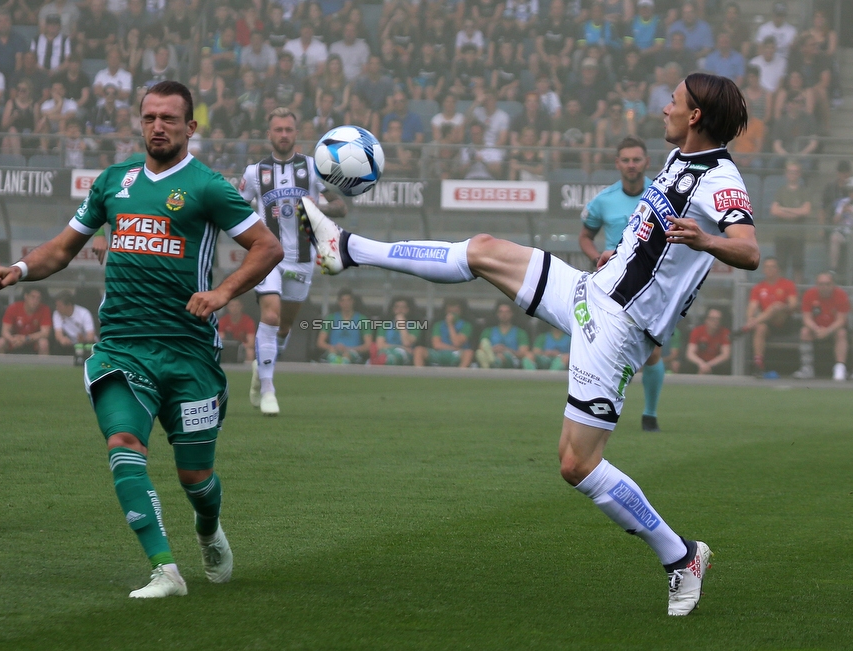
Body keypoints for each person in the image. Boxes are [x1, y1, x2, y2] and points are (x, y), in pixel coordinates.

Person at [299, 72, 758, 615]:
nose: (665, 108)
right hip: (593, 292)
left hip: (618, 331)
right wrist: (621, 256)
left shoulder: (720, 177)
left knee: (577, 465)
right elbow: (655, 240)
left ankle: (681, 557)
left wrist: (705, 239)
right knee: (484, 250)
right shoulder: (678, 160)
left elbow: (747, 250)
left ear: (696, 115)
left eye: (674, 102)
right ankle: (346, 248)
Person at [0, 80, 283, 598]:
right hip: (122, 345)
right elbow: (64, 247)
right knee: (123, 444)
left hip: (189, 353)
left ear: (190, 127)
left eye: (169, 119)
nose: (157, 127)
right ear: (139, 122)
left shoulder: (208, 186)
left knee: (196, 479)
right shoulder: (113, 182)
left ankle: (207, 528)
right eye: (149, 118)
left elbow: (267, 246)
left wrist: (223, 292)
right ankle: (165, 569)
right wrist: (22, 268)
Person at [237, 106, 347, 415]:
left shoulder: (314, 168)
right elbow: (237, 210)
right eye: (278, 130)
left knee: (284, 327)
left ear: (296, 134)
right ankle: (270, 389)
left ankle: (263, 368)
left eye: (289, 130)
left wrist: (321, 205)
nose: (284, 135)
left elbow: (342, 206)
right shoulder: (254, 173)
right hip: (268, 256)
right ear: (268, 134)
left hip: (301, 258)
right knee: (269, 317)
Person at [577, 136, 667, 431]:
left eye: (636, 159)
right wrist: (596, 260)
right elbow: (585, 237)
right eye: (626, 160)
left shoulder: (660, 194)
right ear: (617, 163)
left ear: (647, 162)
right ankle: (598, 408)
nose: (631, 165)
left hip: (651, 283)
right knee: (604, 347)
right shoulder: (603, 200)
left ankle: (650, 413)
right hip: (612, 283)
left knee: (652, 350)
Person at [738, 258, 797, 377]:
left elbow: (793, 305)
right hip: (767, 323)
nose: (769, 269)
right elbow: (752, 306)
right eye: (767, 267)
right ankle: (758, 365)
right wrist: (750, 318)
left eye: (773, 266)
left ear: (778, 269)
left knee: (775, 307)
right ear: (763, 270)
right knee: (760, 328)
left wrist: (781, 307)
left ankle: (748, 327)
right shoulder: (758, 288)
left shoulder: (787, 284)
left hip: (784, 321)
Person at [794, 273, 849, 381]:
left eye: (828, 284)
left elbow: (841, 320)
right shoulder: (809, 294)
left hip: (834, 329)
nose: (824, 287)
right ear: (816, 285)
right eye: (821, 284)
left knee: (842, 333)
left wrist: (828, 331)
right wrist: (817, 329)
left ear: (833, 284)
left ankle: (840, 368)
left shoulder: (841, 295)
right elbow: (806, 318)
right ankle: (807, 368)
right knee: (804, 331)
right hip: (816, 329)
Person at [769, 160, 813, 283]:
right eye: (790, 172)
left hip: (798, 235)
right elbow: (774, 211)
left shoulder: (805, 191)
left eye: (795, 172)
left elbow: (806, 211)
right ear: (786, 173)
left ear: (799, 174)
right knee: (781, 265)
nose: (792, 174)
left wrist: (784, 209)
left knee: (797, 267)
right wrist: (795, 211)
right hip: (781, 234)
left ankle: (797, 294)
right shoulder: (780, 190)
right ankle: (783, 293)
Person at [316, 288, 373, 364]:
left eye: (348, 300)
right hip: (333, 350)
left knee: (347, 355)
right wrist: (333, 347)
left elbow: (368, 345)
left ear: (353, 301)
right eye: (343, 301)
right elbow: (320, 342)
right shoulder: (330, 318)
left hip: (354, 352)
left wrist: (349, 349)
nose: (346, 303)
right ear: (339, 302)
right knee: (332, 355)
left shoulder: (363, 319)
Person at [416, 298, 474, 368]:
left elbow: (457, 342)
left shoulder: (466, 325)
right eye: (450, 312)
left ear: (461, 311)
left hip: (456, 354)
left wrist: (450, 325)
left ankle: (460, 375)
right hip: (439, 353)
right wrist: (453, 348)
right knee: (419, 350)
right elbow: (436, 345)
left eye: (455, 311)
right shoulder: (438, 325)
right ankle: (420, 374)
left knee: (469, 353)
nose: (452, 314)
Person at [0, 287, 52, 355]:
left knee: (44, 343)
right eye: (33, 297)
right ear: (26, 296)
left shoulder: (45, 309)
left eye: (38, 298)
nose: (35, 301)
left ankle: (43, 365)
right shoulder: (13, 307)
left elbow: (45, 333)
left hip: (33, 342)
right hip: (14, 341)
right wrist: (12, 340)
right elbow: (4, 331)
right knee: (0, 342)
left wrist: (26, 338)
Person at [477, 302, 533, 369]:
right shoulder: (488, 331)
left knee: (503, 356)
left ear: (512, 314)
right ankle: (491, 360)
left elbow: (524, 352)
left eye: (507, 312)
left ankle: (492, 363)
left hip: (513, 360)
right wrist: (494, 349)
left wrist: (506, 350)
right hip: (493, 354)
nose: (504, 314)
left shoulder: (520, 333)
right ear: (497, 314)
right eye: (501, 312)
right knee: (483, 349)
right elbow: (480, 349)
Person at [371, 296, 422, 366]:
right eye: (397, 307)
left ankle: (383, 361)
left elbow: (407, 343)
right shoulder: (384, 325)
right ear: (393, 309)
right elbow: (380, 345)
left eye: (403, 307)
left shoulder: (415, 326)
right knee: (384, 355)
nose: (400, 310)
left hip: (405, 354)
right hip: (387, 351)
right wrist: (400, 347)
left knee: (394, 357)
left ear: (408, 309)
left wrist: (402, 325)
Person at [52, 291, 96, 363]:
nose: (57, 308)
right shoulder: (57, 314)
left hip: (86, 345)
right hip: (70, 345)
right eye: (56, 306)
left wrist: (84, 339)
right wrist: (62, 339)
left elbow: (91, 336)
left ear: (69, 305)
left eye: (59, 306)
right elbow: (58, 334)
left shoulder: (84, 313)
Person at [685, 308, 731, 375]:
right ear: (706, 320)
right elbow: (690, 353)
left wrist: (708, 365)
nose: (715, 321)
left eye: (718, 319)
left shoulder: (725, 332)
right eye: (712, 319)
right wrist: (701, 364)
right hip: (699, 363)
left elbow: (725, 355)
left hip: (716, 364)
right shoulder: (697, 331)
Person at [218, 298, 256, 363]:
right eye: (232, 305)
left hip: (242, 348)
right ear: (228, 307)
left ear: (241, 307)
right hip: (227, 349)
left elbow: (251, 343)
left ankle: (247, 372)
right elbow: (220, 340)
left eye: (237, 305)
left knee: (250, 352)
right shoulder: (223, 321)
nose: (235, 308)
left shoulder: (248, 321)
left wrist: (238, 347)